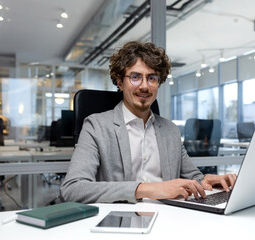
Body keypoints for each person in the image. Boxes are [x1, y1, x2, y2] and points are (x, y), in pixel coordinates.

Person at [60, 41, 236, 204]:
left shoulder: (170, 130)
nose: (144, 86)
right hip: (120, 223)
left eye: (152, 78)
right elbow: (73, 189)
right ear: (120, 82)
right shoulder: (96, 126)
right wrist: (147, 189)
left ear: (158, 84)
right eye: (135, 77)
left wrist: (208, 181)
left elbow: (193, 177)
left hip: (171, 219)